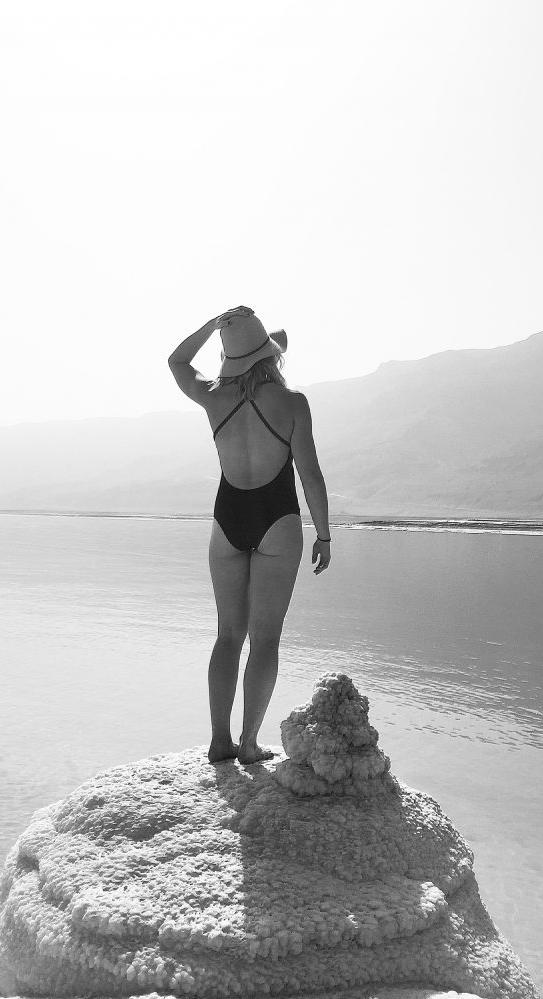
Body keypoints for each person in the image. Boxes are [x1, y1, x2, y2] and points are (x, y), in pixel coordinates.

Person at [168, 305, 331, 765]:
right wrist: (323, 534)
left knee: (227, 637)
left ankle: (219, 740)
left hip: (227, 520)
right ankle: (249, 743)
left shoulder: (213, 396)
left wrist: (209, 326)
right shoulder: (292, 402)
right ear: (270, 356)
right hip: (277, 520)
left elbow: (177, 362)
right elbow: (311, 476)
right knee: (265, 639)